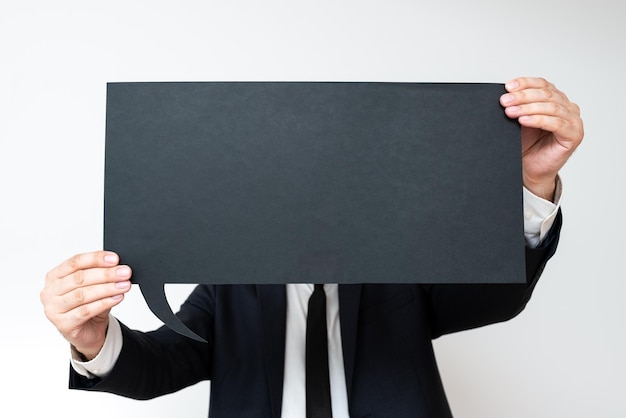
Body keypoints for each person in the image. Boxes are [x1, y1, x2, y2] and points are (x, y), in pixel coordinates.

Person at [41, 77, 583, 417]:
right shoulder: (228, 289)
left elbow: (500, 294)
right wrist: (95, 341)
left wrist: (531, 185)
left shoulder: (403, 268)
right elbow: (161, 365)